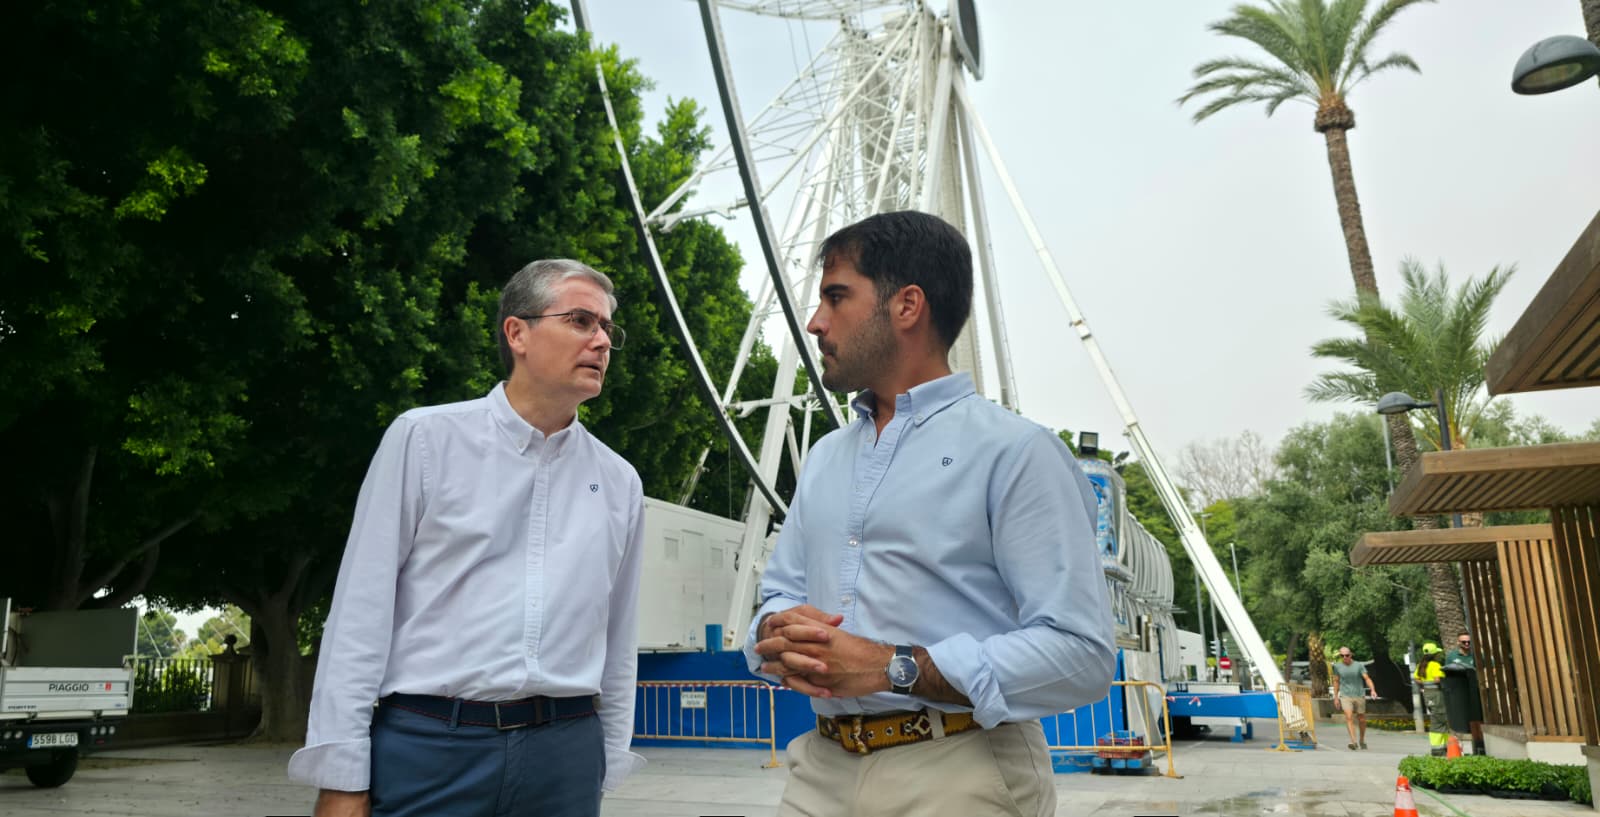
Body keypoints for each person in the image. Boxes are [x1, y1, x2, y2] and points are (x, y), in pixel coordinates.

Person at [744, 210, 1117, 817]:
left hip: (960, 769)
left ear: (907, 306)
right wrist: (775, 633)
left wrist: (888, 668)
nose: (815, 323)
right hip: (820, 769)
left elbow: (1081, 655)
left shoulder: (1016, 453)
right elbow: (779, 592)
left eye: (836, 298)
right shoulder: (824, 459)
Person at [287, 259, 647, 817]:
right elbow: (361, 610)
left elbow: (619, 636)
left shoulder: (621, 481)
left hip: (565, 753)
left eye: (606, 328)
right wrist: (342, 775)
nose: (601, 341)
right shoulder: (424, 440)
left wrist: (606, 759)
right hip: (429, 744)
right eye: (581, 320)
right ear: (517, 332)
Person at [1330, 646, 1377, 750]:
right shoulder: (1337, 667)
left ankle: (1362, 740)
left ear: (1351, 655)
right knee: (1349, 717)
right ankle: (1353, 741)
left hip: (1359, 694)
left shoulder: (1359, 665)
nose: (1345, 657)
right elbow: (1336, 681)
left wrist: (1372, 690)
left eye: (1346, 655)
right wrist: (1336, 697)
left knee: (1362, 719)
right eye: (1342, 655)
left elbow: (1367, 678)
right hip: (1345, 696)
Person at [1414, 642, 1449, 756]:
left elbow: (1417, 679)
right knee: (1440, 719)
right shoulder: (1435, 665)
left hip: (1427, 695)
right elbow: (1438, 679)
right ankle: (1439, 748)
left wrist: (1425, 685)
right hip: (1437, 695)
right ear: (1435, 654)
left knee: (1437, 718)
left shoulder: (1420, 665)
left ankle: (1441, 747)